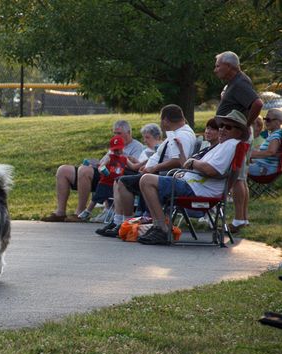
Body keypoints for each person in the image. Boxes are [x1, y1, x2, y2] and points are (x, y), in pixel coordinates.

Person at [136, 110, 248, 245]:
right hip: (192, 184)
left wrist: (193, 162)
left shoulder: (230, 145)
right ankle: (159, 226)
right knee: (146, 180)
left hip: (197, 189)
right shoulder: (221, 145)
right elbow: (190, 165)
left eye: (228, 127)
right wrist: (186, 157)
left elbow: (211, 170)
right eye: (222, 126)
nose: (222, 129)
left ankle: (161, 229)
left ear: (239, 131)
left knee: (146, 180)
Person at [95, 104, 196, 237]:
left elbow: (178, 161)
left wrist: (154, 168)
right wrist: (146, 164)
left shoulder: (183, 135)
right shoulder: (176, 133)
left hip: (161, 176)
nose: (161, 123)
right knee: (118, 180)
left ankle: (126, 223)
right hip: (152, 172)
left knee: (123, 182)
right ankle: (118, 221)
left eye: (161, 120)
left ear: (165, 120)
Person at [41, 120, 144, 222]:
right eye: (115, 133)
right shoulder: (115, 144)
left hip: (114, 177)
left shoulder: (137, 147)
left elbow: (132, 169)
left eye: (119, 133)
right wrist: (93, 164)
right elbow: (104, 161)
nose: (116, 136)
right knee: (63, 170)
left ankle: (80, 213)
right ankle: (60, 212)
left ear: (129, 133)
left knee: (84, 171)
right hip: (102, 172)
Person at [214, 51, 263, 232]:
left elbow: (257, 104)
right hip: (235, 133)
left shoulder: (240, 83)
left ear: (230, 66)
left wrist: (244, 126)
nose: (215, 70)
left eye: (218, 65)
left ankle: (239, 220)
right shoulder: (235, 83)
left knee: (238, 178)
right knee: (240, 177)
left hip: (238, 134)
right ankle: (243, 218)